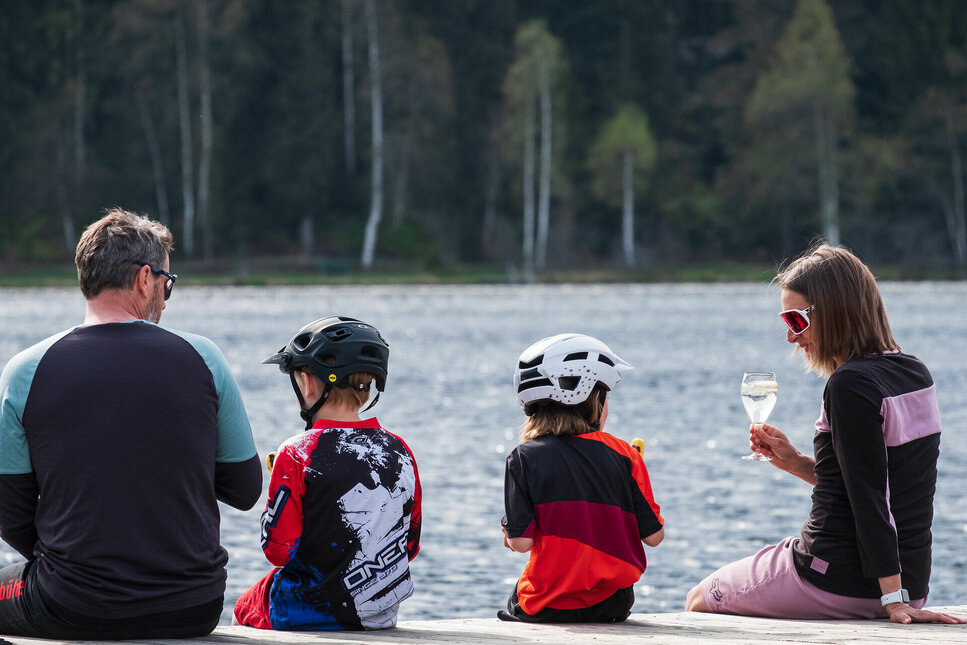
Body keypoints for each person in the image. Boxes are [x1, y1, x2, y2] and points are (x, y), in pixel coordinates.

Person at [0, 207, 263, 639]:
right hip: (194, 606)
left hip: (72, 604)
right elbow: (245, 490)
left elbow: (11, 515)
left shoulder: (25, 371)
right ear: (145, 278)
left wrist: (77, 565)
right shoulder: (204, 359)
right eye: (166, 283)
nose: (165, 297)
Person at [685, 243, 965, 626]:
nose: (790, 337)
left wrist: (892, 601)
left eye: (796, 320)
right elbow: (886, 485)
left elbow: (870, 499)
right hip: (909, 584)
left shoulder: (850, 385)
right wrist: (797, 463)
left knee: (699, 598)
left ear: (833, 311)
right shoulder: (916, 374)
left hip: (835, 579)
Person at [233, 316, 421, 631]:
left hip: (305, 612)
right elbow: (410, 547)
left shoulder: (296, 452)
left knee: (243, 607)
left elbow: (277, 551)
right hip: (380, 615)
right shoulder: (401, 450)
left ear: (307, 382)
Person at [499, 333, 665, 623]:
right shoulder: (626, 455)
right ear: (594, 399)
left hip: (547, 605)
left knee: (518, 597)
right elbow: (654, 537)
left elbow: (521, 543)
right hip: (614, 604)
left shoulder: (522, 458)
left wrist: (508, 527)